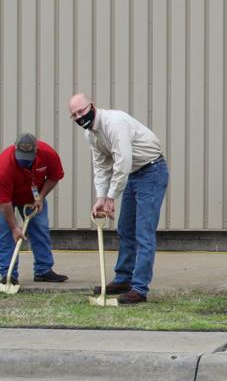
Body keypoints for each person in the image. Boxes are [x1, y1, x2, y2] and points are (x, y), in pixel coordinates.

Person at [68, 94, 168, 304]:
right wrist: (101, 198)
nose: (79, 116)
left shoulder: (114, 123)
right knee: (125, 229)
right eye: (75, 114)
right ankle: (124, 279)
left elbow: (122, 161)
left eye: (82, 111)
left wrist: (112, 197)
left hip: (151, 171)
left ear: (92, 106)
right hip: (133, 174)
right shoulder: (91, 134)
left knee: (143, 232)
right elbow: (102, 166)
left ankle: (139, 288)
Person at [0, 133, 68, 286]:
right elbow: (4, 202)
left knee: (40, 230)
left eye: (28, 158)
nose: (24, 161)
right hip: (6, 199)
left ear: (36, 151)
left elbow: (54, 176)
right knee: (6, 234)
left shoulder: (48, 154)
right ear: (15, 148)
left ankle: (43, 270)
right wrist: (14, 228)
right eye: (21, 157)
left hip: (33, 196)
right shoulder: (4, 165)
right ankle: (8, 274)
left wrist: (41, 196)